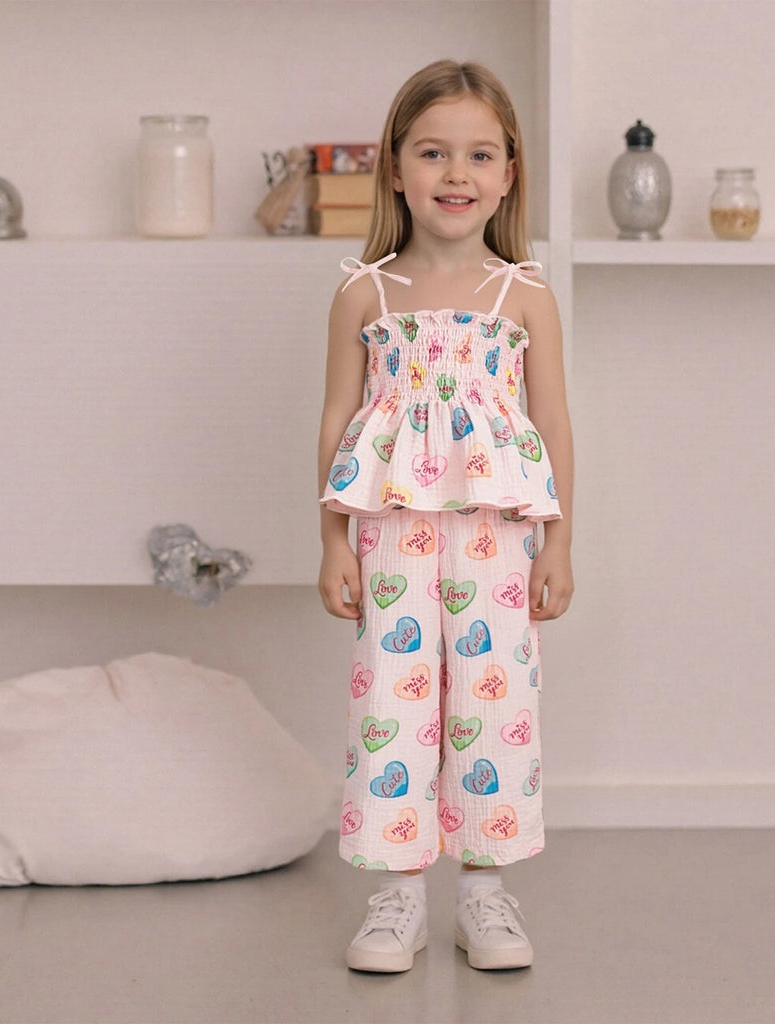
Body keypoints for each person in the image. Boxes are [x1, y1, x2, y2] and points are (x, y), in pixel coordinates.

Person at [317, 59, 574, 973]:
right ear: (395, 168)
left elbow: (552, 425)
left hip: (499, 533)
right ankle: (396, 898)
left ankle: (483, 895)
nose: (455, 174)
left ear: (508, 174)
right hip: (392, 530)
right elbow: (338, 422)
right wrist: (332, 543)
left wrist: (560, 545)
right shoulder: (366, 293)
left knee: (492, 702)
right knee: (394, 702)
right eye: (432, 152)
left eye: (478, 155)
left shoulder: (523, 296)